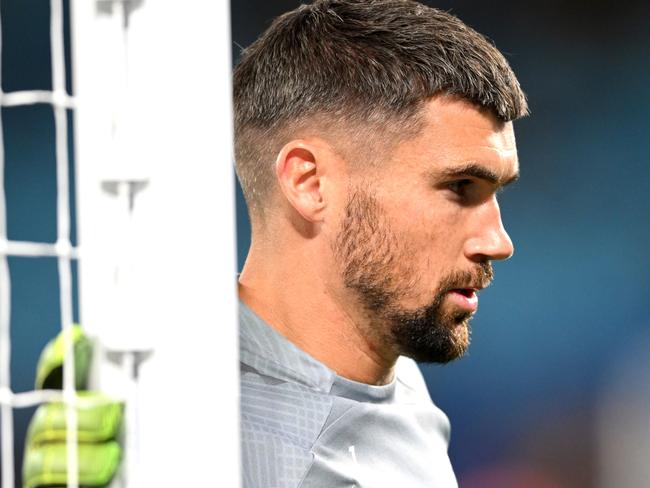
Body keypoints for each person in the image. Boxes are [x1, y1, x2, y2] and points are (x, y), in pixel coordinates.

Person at [234, 1, 528, 486]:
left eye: (495, 192)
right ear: (310, 183)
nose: (498, 242)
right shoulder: (195, 440)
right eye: (460, 187)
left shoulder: (389, 359)